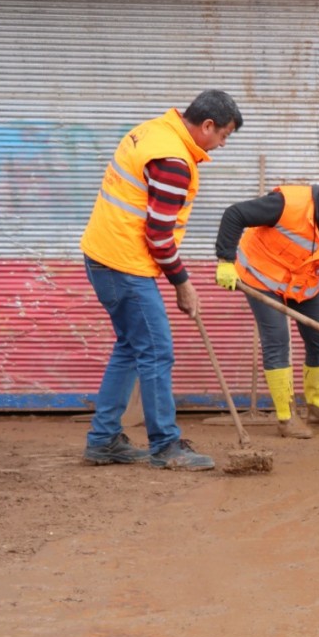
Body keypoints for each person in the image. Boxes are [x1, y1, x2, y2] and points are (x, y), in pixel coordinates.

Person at [79, 90, 243, 471]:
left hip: (103, 254)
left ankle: (103, 440)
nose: (222, 144)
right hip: (124, 264)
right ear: (206, 126)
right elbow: (158, 234)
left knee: (131, 347)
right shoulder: (173, 161)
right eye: (224, 135)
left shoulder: (155, 130)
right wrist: (182, 283)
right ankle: (166, 446)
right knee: (155, 351)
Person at [214, 179, 319, 438]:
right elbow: (235, 214)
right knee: (277, 340)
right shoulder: (289, 205)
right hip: (261, 279)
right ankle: (286, 418)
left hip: (302, 285)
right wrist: (225, 260)